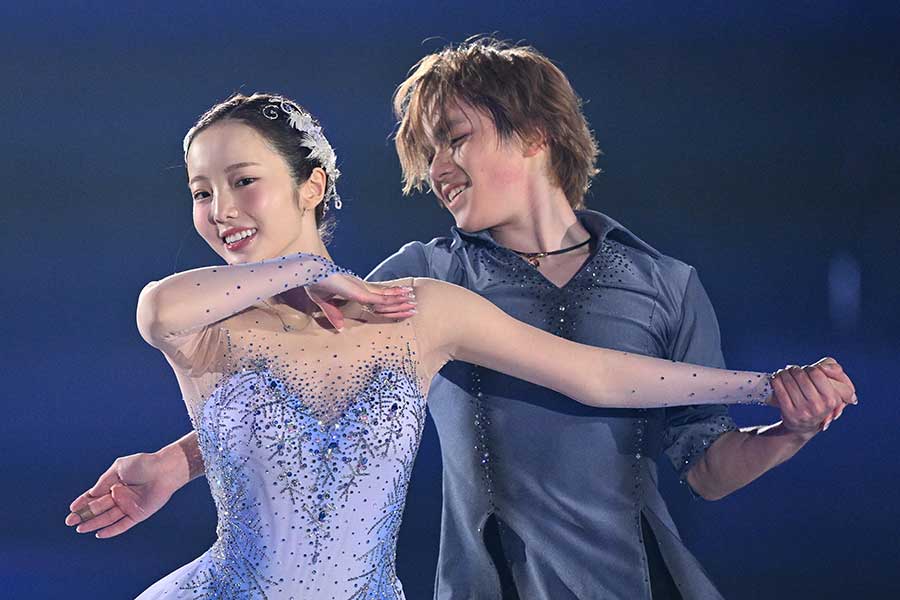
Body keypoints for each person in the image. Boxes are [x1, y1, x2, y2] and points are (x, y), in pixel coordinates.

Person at [67, 42, 856, 600]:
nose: (438, 169)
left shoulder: (657, 284)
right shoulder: (415, 279)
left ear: (535, 134)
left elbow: (626, 398)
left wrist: (775, 396)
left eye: (455, 140)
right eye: (202, 193)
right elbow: (283, 389)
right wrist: (174, 463)